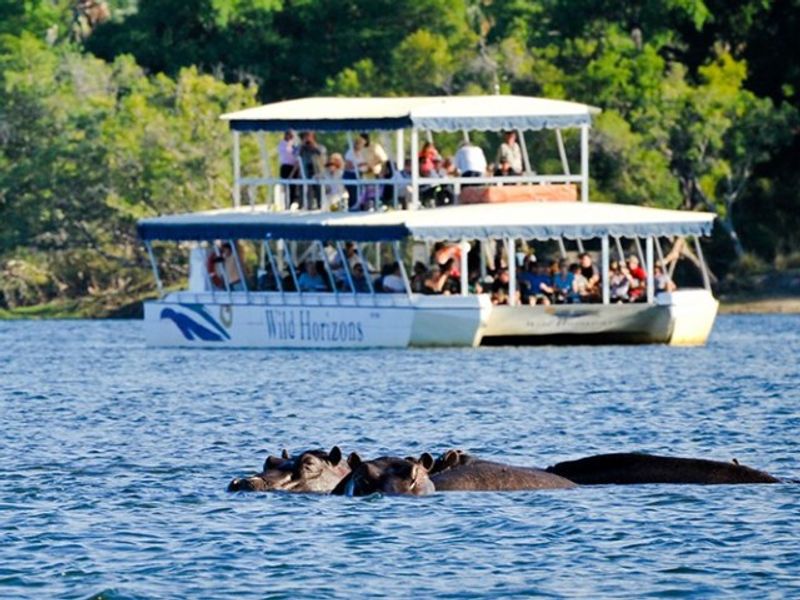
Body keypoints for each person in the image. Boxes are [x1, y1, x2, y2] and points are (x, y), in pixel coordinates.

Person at [298, 132, 327, 208]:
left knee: (319, 190)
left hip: (317, 171)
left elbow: (321, 153)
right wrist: (302, 144)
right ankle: (308, 206)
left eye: (309, 136)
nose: (307, 139)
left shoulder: (320, 147)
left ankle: (320, 206)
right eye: (305, 137)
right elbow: (295, 154)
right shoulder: (302, 148)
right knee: (307, 190)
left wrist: (313, 145)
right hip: (306, 171)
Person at [278, 130, 299, 205]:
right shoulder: (282, 144)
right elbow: (288, 152)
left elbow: (296, 156)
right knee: (286, 186)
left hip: (293, 167)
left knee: (293, 187)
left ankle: (292, 202)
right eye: (289, 135)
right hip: (285, 166)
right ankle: (287, 203)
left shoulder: (294, 144)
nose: (290, 137)